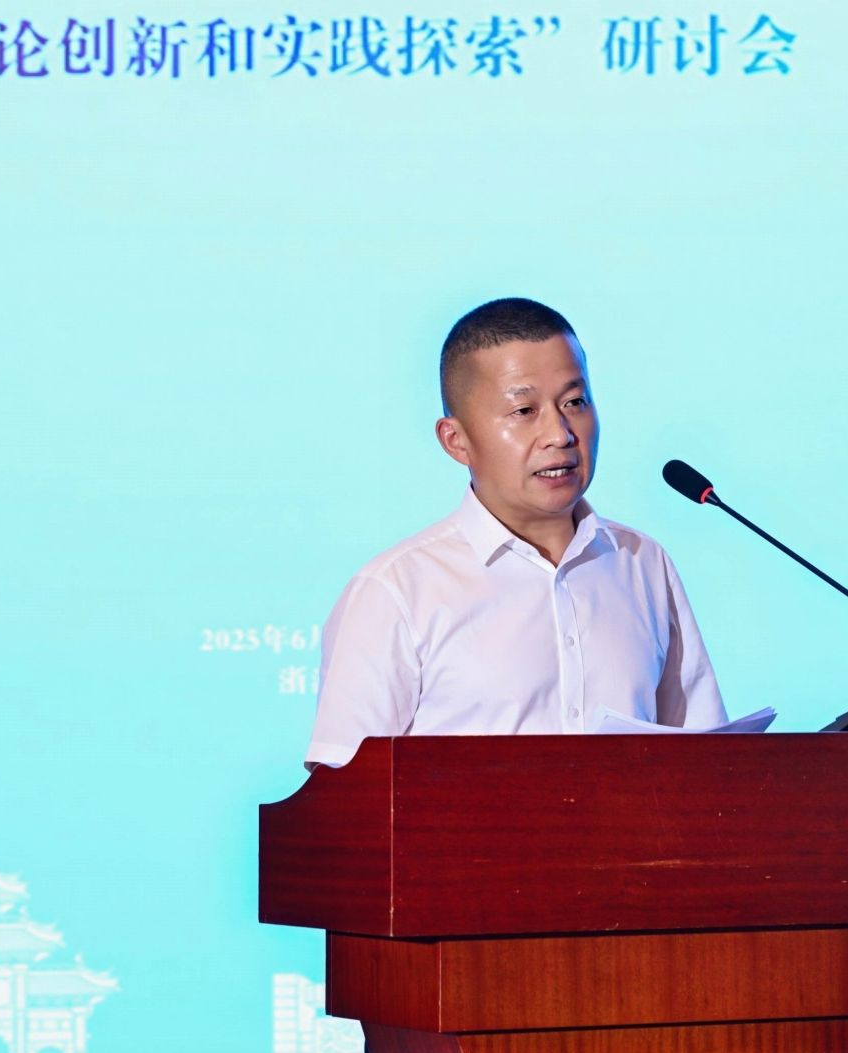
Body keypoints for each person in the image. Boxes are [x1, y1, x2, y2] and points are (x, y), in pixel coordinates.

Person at [304, 298, 727, 769]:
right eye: (524, 410)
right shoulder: (396, 591)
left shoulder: (642, 562)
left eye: (574, 402)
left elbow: (704, 761)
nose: (560, 434)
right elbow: (340, 792)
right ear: (456, 440)